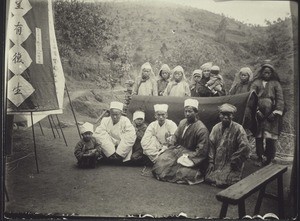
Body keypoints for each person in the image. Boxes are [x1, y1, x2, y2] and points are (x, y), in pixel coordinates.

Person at [152, 99, 210, 185]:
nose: (187, 114)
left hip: (191, 156)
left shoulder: (201, 129)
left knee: (182, 172)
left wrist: (187, 157)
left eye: (190, 111)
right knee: (160, 162)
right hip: (178, 150)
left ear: (196, 112)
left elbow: (201, 152)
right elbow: (176, 136)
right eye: (185, 111)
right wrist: (171, 142)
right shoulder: (183, 122)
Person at [205, 103, 250, 187]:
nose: (225, 117)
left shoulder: (238, 128)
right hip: (217, 163)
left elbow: (245, 147)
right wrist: (211, 161)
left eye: (228, 115)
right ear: (219, 115)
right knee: (209, 178)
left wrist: (235, 160)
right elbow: (211, 145)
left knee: (226, 181)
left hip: (232, 162)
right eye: (223, 114)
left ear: (232, 116)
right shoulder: (216, 128)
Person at [250, 62, 285, 166]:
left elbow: (280, 99)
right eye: (265, 72)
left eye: (269, 73)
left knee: (270, 137)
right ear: (261, 73)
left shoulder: (276, 84)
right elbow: (251, 97)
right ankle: (260, 157)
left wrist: (275, 113)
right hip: (259, 114)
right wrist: (256, 111)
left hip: (271, 115)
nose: (266, 74)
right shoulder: (256, 83)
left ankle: (269, 158)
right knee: (258, 136)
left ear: (272, 74)